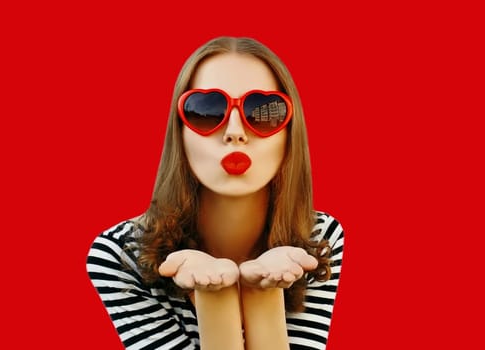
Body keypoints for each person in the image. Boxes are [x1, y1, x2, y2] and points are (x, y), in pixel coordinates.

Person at [86, 36, 345, 350]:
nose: (235, 131)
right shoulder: (121, 255)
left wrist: (261, 292)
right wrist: (215, 297)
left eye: (262, 110)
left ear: (291, 135)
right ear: (178, 134)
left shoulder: (318, 238)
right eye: (206, 110)